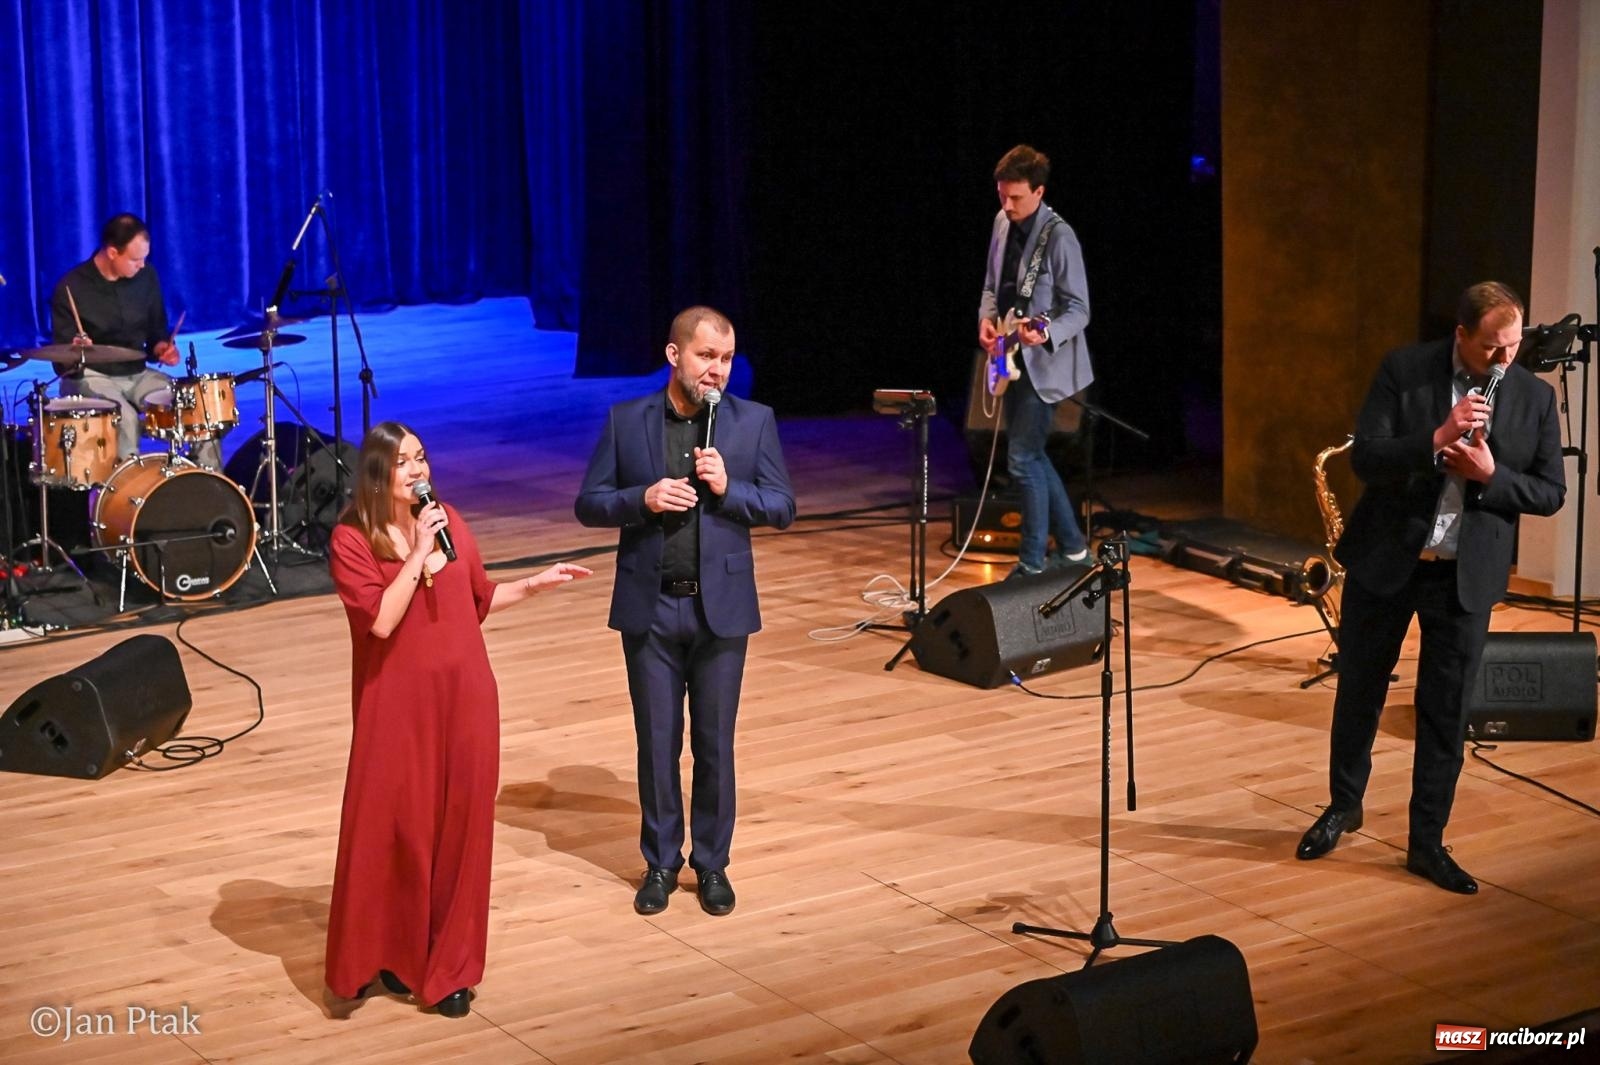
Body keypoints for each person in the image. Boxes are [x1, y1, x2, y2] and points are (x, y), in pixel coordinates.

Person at [1296, 282, 1565, 894]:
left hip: (1463, 575)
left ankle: (1426, 843)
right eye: (1492, 347)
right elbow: (1367, 459)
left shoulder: (1534, 397)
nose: (1506, 358)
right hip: (1388, 561)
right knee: (1359, 691)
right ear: (1461, 336)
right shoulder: (1404, 370)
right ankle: (1344, 806)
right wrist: (1439, 437)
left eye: (1514, 344)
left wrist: (1492, 475)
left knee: (1446, 711)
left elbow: (1550, 492)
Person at [324, 420, 590, 1016]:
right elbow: (381, 621)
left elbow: (479, 599)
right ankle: (386, 954)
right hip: (397, 708)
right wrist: (418, 553)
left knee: (462, 831)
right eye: (403, 462)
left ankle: (450, 970)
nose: (417, 470)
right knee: (395, 831)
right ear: (377, 475)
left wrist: (536, 584)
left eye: (420, 457)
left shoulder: (450, 522)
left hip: (467, 698)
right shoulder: (352, 540)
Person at [575, 306, 795, 917]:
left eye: (726, 359)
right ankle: (660, 863)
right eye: (706, 356)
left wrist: (730, 488)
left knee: (715, 744)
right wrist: (641, 499)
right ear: (675, 356)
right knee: (657, 744)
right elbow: (589, 504)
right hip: (650, 610)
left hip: (720, 611)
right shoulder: (627, 421)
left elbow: (782, 506)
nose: (717, 370)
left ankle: (712, 864)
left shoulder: (753, 422)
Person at [978, 144, 1094, 579]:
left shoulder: (1060, 237)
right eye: (1002, 196)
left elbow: (1079, 310)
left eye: (1016, 197)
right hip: (1009, 353)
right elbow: (992, 284)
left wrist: (1045, 333)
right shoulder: (1001, 221)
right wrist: (986, 319)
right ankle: (1075, 550)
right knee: (1032, 456)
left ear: (1039, 192)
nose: (1007, 206)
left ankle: (1031, 564)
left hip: (1045, 362)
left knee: (1022, 460)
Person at [50, 213, 219, 469]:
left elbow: (155, 332)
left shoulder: (146, 276)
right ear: (112, 253)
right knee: (125, 418)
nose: (141, 265)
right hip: (92, 375)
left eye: (144, 258)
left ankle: (209, 483)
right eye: (135, 259)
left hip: (136, 373)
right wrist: (75, 349)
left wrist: (162, 347)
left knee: (193, 406)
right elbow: (61, 360)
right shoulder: (71, 287)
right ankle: (128, 489)